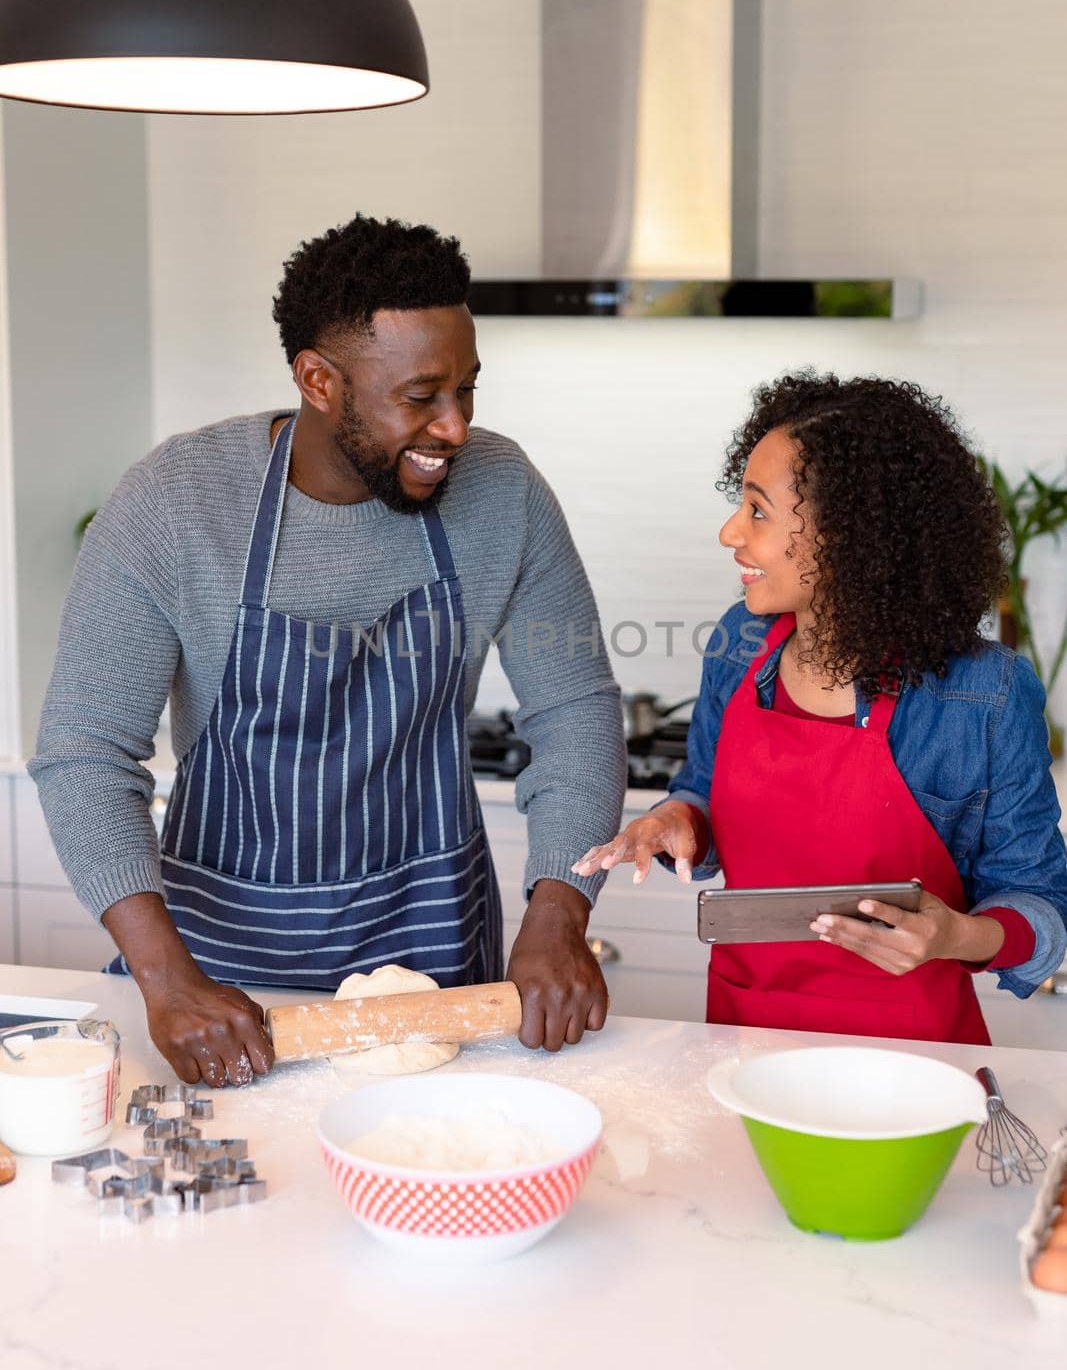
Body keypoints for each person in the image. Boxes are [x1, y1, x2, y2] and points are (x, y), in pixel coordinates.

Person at [31, 214, 626, 1083]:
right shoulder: (177, 503)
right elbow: (84, 753)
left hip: (429, 948)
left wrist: (560, 911)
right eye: (421, 397)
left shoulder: (504, 493)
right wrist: (165, 978)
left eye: (468, 390)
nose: (455, 427)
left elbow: (573, 710)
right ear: (318, 379)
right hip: (210, 965)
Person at [574, 372, 1067, 1042]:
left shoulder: (981, 693)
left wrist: (958, 935)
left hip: (912, 1054)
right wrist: (676, 817)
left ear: (848, 535)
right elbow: (702, 792)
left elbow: (1041, 906)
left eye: (755, 511)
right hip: (745, 1032)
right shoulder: (739, 642)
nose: (729, 533)